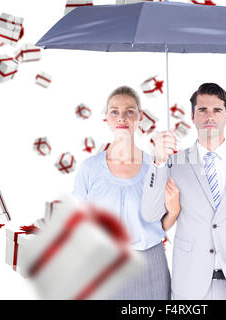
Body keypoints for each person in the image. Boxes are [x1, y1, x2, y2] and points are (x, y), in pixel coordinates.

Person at [141, 83, 226, 300]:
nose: (210, 116)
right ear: (193, 116)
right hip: (190, 286)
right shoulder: (175, 162)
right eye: (202, 110)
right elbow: (149, 215)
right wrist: (158, 161)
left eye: (217, 110)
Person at [72, 86, 180, 299]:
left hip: (150, 265)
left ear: (139, 117)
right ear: (107, 118)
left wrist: (174, 212)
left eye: (129, 111)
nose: (122, 117)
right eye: (115, 112)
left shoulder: (156, 166)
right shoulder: (89, 168)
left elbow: (159, 223)